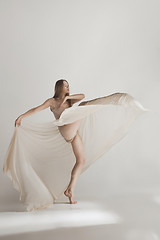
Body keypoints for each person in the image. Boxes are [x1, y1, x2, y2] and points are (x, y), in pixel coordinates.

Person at [15, 79, 86, 204]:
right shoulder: (52, 102)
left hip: (74, 134)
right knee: (84, 108)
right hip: (66, 130)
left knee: (81, 161)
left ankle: (70, 190)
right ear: (59, 87)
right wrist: (21, 117)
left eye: (68, 85)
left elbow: (82, 96)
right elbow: (36, 109)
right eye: (65, 86)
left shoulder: (69, 100)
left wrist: (68, 98)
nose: (68, 87)